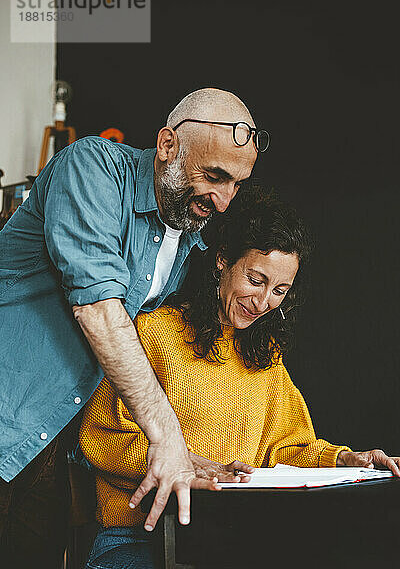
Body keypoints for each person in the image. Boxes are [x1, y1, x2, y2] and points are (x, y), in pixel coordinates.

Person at [0, 88, 269, 567]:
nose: (224, 200)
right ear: (167, 145)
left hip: (49, 444)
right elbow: (99, 309)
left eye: (236, 184)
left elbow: (131, 350)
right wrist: (167, 435)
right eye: (214, 176)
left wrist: (183, 454)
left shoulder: (187, 237)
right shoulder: (92, 167)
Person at [80, 186, 400, 569]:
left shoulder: (265, 358)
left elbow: (286, 452)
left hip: (230, 537)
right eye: (255, 279)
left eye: (280, 290)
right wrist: (191, 463)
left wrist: (347, 460)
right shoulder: (152, 334)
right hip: (139, 534)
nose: (263, 302)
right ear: (221, 261)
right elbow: (100, 438)